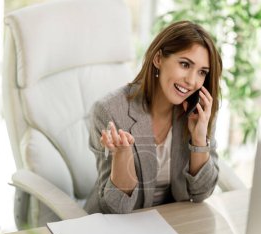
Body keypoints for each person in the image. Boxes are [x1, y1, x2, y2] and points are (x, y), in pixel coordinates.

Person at [84, 20, 222, 214]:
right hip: (119, 226)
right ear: (158, 59)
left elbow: (201, 193)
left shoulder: (200, 112)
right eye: (184, 64)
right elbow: (116, 207)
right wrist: (123, 155)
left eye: (202, 72)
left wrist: (199, 138)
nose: (192, 81)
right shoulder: (110, 111)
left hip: (173, 224)